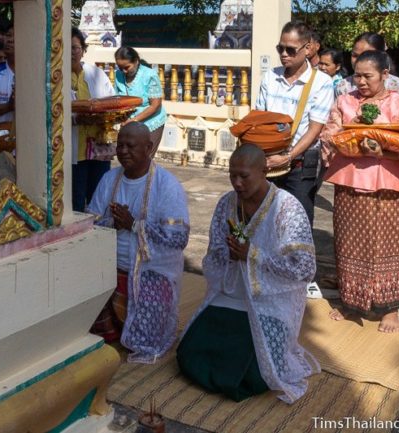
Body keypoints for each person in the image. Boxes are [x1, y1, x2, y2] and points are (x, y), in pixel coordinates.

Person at [177, 144, 318, 404]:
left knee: (248, 368)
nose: (237, 183)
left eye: (244, 176)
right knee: (190, 351)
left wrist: (252, 255)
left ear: (265, 171)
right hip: (231, 291)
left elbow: (305, 268)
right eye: (232, 175)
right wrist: (228, 255)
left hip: (270, 298)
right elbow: (213, 255)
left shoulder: (287, 208)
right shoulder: (226, 203)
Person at [320, 50, 399, 333]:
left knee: (386, 245)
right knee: (348, 242)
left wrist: (383, 149)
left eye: (368, 76)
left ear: (385, 75)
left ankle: (388, 309)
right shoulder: (345, 101)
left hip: (386, 184)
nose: (362, 82)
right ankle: (350, 302)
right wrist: (351, 144)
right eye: (357, 75)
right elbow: (329, 136)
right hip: (349, 181)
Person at [87, 122, 189, 364]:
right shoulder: (109, 179)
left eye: (130, 146)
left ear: (149, 148)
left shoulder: (167, 186)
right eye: (119, 145)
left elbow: (178, 239)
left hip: (150, 272)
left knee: (146, 341)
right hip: (109, 267)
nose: (122, 151)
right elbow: (90, 222)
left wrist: (134, 224)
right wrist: (113, 220)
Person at [255, 20, 334, 227]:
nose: (284, 54)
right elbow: (259, 118)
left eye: (290, 50)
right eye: (280, 48)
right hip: (268, 161)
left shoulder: (321, 82)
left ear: (307, 49)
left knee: (297, 225)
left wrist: (287, 156)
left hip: (299, 165)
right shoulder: (270, 77)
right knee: (263, 221)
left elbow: (315, 129)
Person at [71, 27, 115, 212]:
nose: (72, 52)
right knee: (76, 201)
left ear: (83, 50)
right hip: (74, 151)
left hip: (98, 148)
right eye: (67, 48)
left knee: (99, 198)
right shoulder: (54, 77)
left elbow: (111, 100)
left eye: (76, 47)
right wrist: (77, 119)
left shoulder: (96, 73)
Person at [113, 46, 167, 155]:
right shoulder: (118, 75)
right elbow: (117, 100)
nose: (123, 71)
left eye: (127, 67)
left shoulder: (149, 74)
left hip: (151, 122)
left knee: (144, 159)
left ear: (136, 61)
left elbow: (155, 106)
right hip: (128, 122)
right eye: (120, 67)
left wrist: (133, 120)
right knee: (128, 157)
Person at [335, 32, 399, 99]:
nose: (359, 60)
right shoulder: (342, 87)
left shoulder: (397, 85)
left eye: (366, 55)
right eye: (355, 55)